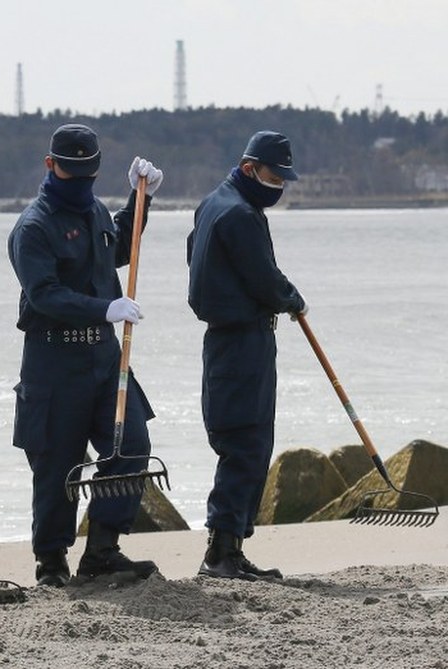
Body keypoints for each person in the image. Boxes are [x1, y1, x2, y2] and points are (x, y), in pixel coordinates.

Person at [7, 123, 164, 587]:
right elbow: (44, 294)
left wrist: (140, 201)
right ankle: (51, 561)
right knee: (57, 462)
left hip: (104, 357)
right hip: (54, 360)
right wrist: (104, 308)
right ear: (50, 164)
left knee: (130, 444)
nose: (80, 181)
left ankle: (102, 551)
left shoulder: (94, 211)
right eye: (71, 172)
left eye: (88, 174)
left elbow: (117, 247)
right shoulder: (33, 227)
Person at [186, 130, 307, 581]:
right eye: (273, 177)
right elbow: (263, 277)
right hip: (241, 340)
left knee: (243, 442)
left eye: (283, 179)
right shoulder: (239, 213)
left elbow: (197, 257)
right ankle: (220, 554)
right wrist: (291, 298)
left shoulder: (213, 203)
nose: (278, 186)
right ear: (248, 167)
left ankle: (231, 549)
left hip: (227, 340)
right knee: (246, 444)